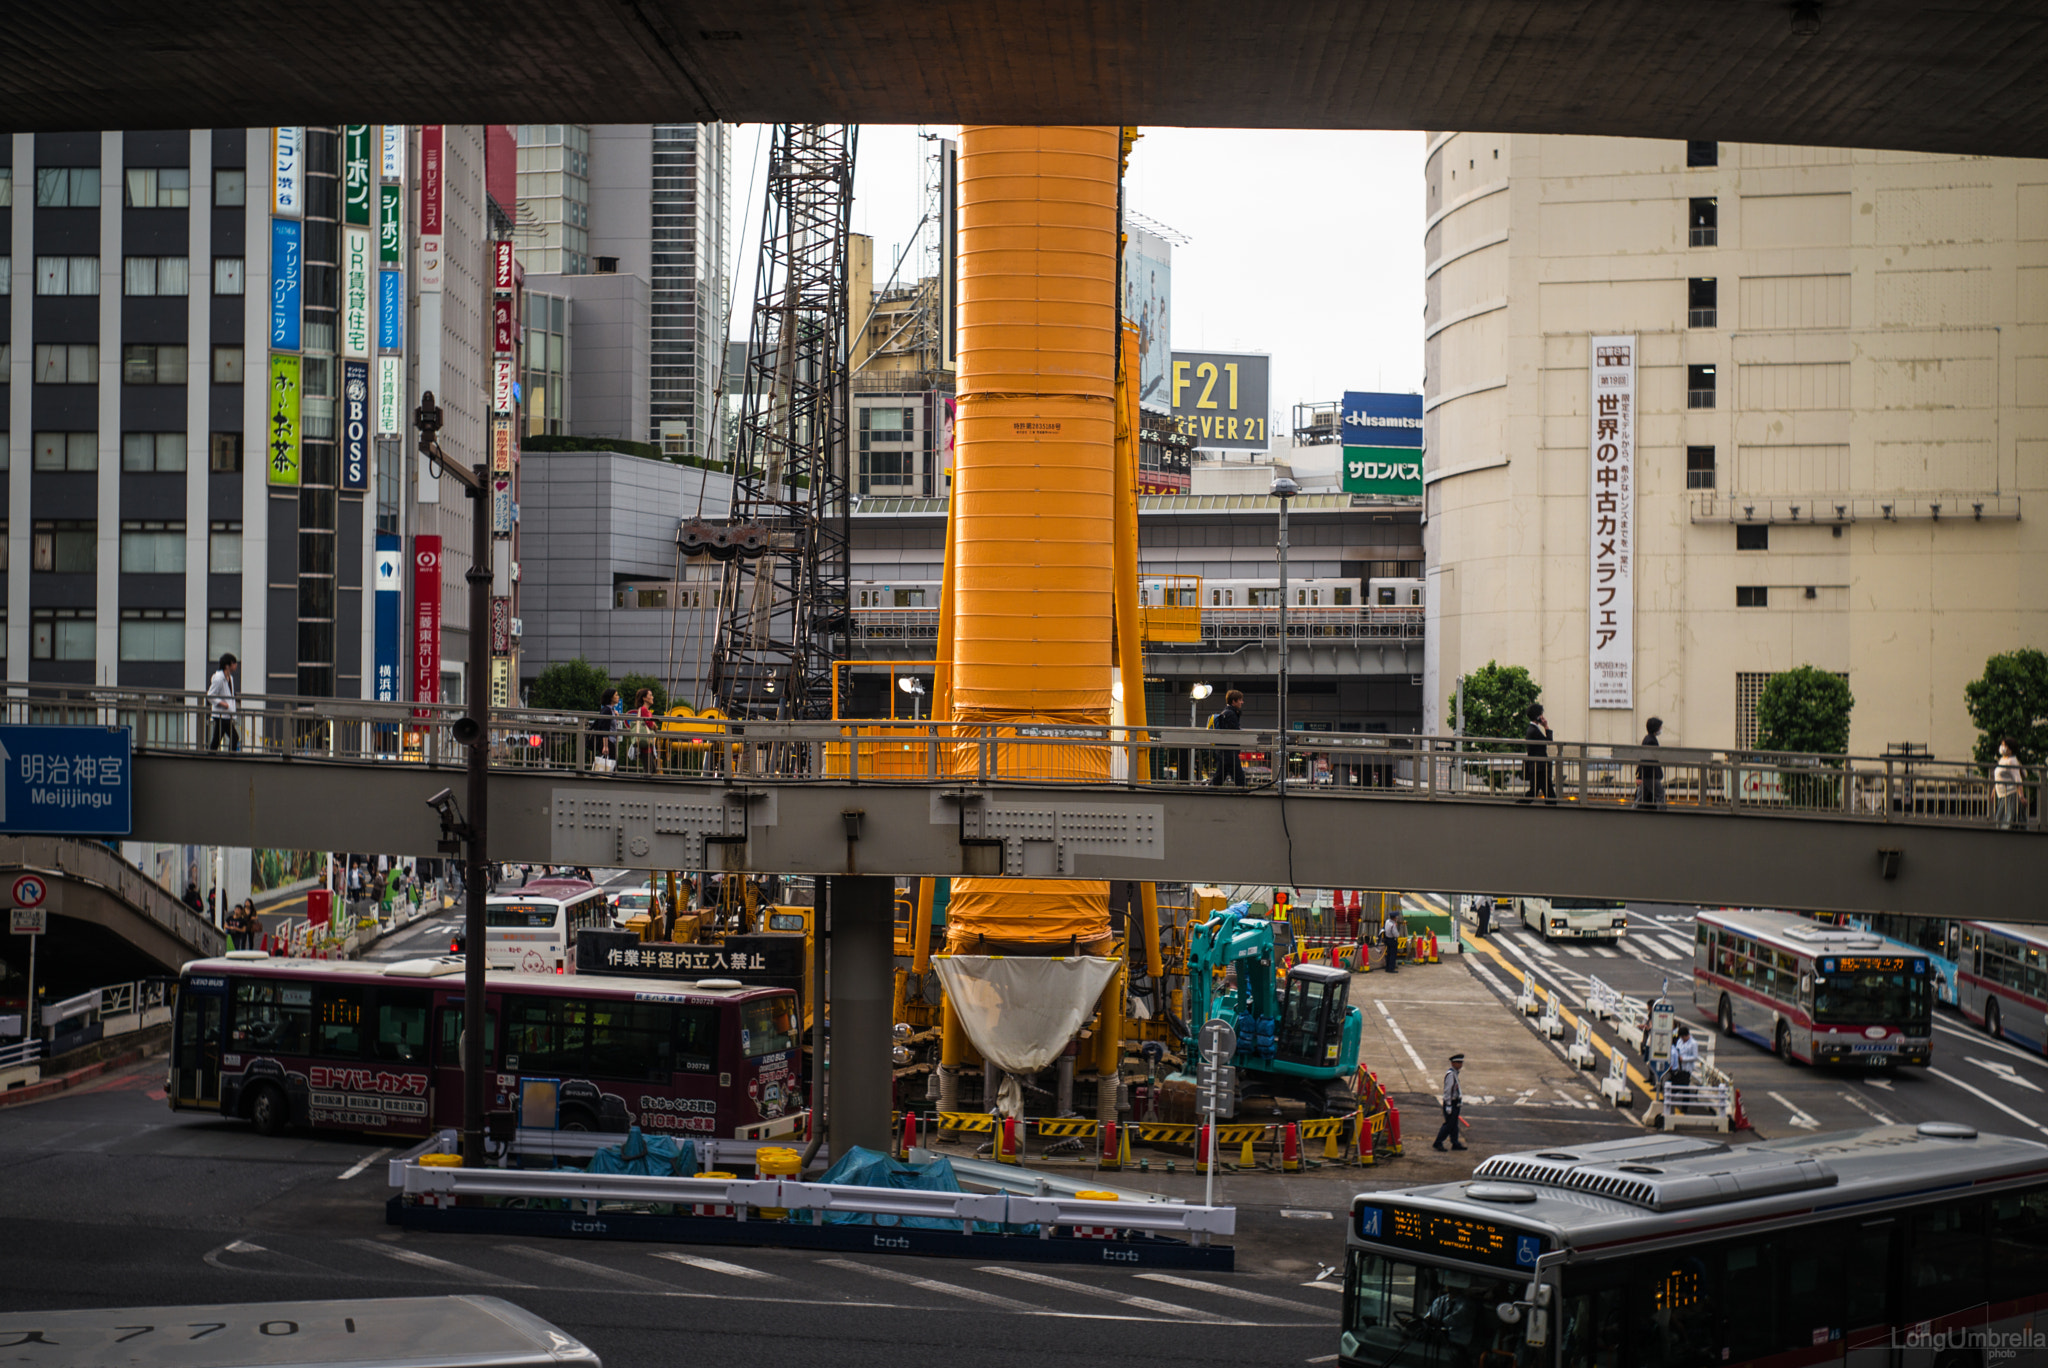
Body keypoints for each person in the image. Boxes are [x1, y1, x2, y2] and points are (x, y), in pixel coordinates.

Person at [1208, 689, 1245, 788]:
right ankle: (1245, 797)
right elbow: (1232, 732)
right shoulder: (1231, 714)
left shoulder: (1226, 712)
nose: (1242, 702)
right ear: (1233, 701)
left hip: (1223, 750)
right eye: (1240, 700)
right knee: (1239, 777)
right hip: (1229, 751)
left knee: (1219, 778)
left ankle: (1208, 794)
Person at [1520, 703, 1556, 805]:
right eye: (1541, 715)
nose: (1542, 717)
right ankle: (1517, 806)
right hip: (1539, 767)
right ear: (1537, 717)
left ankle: (1518, 805)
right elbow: (1549, 741)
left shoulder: (1532, 729)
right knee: (1549, 794)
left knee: (1534, 792)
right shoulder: (1534, 731)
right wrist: (1546, 726)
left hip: (1537, 767)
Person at [206, 653, 240, 751]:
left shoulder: (230, 678)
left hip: (226, 714)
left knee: (217, 739)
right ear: (227, 666)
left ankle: (211, 756)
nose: (235, 665)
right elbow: (210, 695)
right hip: (221, 714)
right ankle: (231, 758)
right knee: (234, 737)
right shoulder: (219, 679)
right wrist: (222, 704)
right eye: (233, 663)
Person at [1434, 1052, 1467, 1152]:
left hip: (1455, 1102)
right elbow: (1447, 1091)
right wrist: (1448, 1105)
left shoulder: (1455, 1074)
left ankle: (1455, 1142)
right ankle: (1438, 1142)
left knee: (1454, 1125)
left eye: (1461, 1062)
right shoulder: (1450, 1075)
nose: (1460, 1065)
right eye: (1458, 1062)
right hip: (1451, 1103)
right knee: (1449, 1125)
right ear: (1453, 1063)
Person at [1993, 737, 2024, 831]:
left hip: (2010, 793)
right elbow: (1999, 777)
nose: (2002, 747)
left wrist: (2021, 796)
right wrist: (1994, 790)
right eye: (2002, 745)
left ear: (2011, 749)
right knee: (2002, 818)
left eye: (2004, 745)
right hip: (2001, 794)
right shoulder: (2002, 760)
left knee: (2007, 819)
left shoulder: (2012, 761)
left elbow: (2017, 779)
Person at [1636, 716, 1665, 810]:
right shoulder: (1652, 740)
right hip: (1651, 774)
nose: (1661, 729)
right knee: (1660, 794)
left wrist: (1640, 775)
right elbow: (1649, 758)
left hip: (1646, 774)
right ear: (1655, 728)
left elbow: (1642, 758)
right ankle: (1662, 813)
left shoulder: (1647, 738)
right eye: (1660, 727)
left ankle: (1632, 813)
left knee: (1640, 797)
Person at [1667, 1024, 1699, 1089]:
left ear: (1686, 1035)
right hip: (1678, 1066)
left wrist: (1683, 1059)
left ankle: (1685, 1098)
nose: (1682, 1039)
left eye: (1682, 1037)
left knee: (1685, 1085)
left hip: (1687, 1067)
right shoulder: (1680, 1041)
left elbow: (1695, 1057)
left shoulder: (1693, 1043)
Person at [1381, 906, 1403, 974]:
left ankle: (1387, 968)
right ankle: (1391, 968)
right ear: (1394, 918)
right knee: (1393, 955)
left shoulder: (1387, 921)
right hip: (1392, 940)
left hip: (1387, 939)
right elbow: (1396, 934)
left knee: (1388, 954)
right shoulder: (1393, 925)